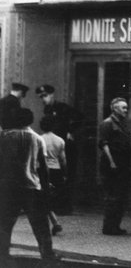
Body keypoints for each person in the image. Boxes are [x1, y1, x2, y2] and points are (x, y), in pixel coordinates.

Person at [0, 106, 57, 265]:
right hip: (31, 186)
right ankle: (47, 256)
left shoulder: (3, 137)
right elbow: (43, 167)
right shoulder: (37, 139)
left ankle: (3, 255)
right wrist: (45, 188)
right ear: (30, 120)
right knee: (40, 225)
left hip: (8, 187)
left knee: (4, 224)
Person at [35, 84, 83, 212]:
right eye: (41, 97)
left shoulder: (62, 107)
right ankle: (56, 205)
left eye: (45, 96)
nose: (43, 99)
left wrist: (70, 131)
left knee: (67, 174)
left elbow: (80, 117)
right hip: (55, 146)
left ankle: (65, 206)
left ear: (51, 95)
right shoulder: (47, 110)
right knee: (56, 176)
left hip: (66, 146)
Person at [99, 96, 131, 236]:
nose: (126, 110)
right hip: (113, 161)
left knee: (121, 195)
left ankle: (115, 225)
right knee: (113, 195)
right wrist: (111, 161)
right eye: (123, 107)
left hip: (123, 161)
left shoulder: (123, 123)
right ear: (114, 108)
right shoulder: (107, 123)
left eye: (126, 107)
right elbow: (103, 143)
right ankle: (109, 226)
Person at [39, 116, 66, 236]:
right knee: (51, 198)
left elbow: (39, 159)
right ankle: (54, 222)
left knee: (43, 198)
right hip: (57, 170)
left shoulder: (39, 139)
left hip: (45, 171)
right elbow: (63, 160)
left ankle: (54, 222)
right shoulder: (60, 140)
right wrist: (64, 173)